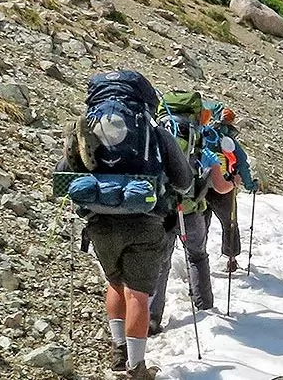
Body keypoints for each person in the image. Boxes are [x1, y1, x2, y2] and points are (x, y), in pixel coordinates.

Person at [56, 70, 193, 379]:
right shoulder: (155, 131)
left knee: (114, 285)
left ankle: (119, 351)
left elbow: (63, 176)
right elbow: (183, 181)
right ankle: (136, 367)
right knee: (138, 295)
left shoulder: (86, 127)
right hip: (144, 222)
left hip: (99, 220)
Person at [149, 90, 220, 335]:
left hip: (163, 207)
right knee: (198, 255)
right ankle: (205, 306)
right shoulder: (196, 136)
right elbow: (209, 170)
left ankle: (152, 318)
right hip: (191, 207)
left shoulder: (160, 132)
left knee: (162, 263)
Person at [201, 100, 259, 273]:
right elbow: (241, 162)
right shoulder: (229, 140)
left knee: (202, 223)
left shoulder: (201, 134)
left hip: (201, 186)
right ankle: (231, 258)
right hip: (225, 187)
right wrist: (250, 184)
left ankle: (197, 257)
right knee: (229, 222)